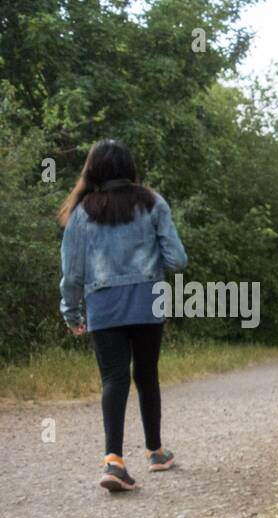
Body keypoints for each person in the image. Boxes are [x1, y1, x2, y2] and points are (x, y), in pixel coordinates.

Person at [58, 139, 187, 492]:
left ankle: (113, 461)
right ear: (130, 167)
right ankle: (156, 453)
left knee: (114, 379)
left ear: (93, 170)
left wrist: (71, 313)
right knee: (147, 375)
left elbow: (72, 274)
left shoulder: (82, 212)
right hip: (149, 301)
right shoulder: (152, 202)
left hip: (103, 305)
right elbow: (177, 260)